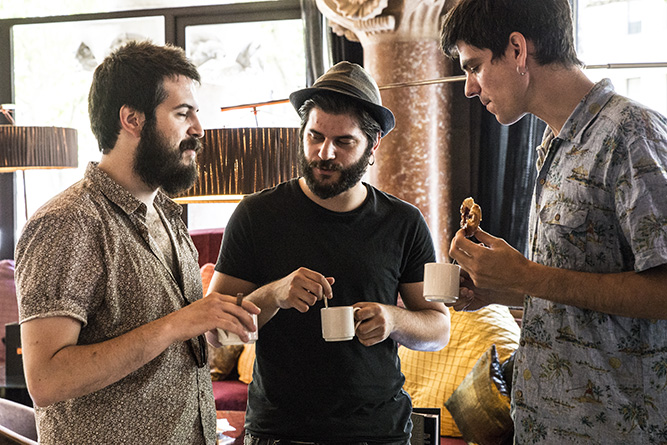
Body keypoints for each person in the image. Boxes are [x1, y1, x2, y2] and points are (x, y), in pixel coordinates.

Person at [440, 0, 667, 443]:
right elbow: (582, 291)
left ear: (517, 50)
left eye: (474, 66)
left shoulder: (632, 133)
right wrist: (500, 288)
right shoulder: (554, 143)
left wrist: (526, 275)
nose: (469, 88)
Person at [15, 41, 259, 444]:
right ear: (132, 119)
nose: (198, 129)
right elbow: (46, 380)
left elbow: (170, 348)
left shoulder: (167, 214)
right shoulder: (67, 222)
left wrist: (210, 326)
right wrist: (177, 324)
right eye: (182, 113)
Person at [206, 61, 450, 444]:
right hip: (280, 433)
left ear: (373, 144)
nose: (324, 153)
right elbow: (215, 333)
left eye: (343, 142)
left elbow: (438, 329)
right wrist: (273, 295)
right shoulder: (256, 215)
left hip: (379, 433)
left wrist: (393, 319)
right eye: (314, 136)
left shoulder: (403, 222)